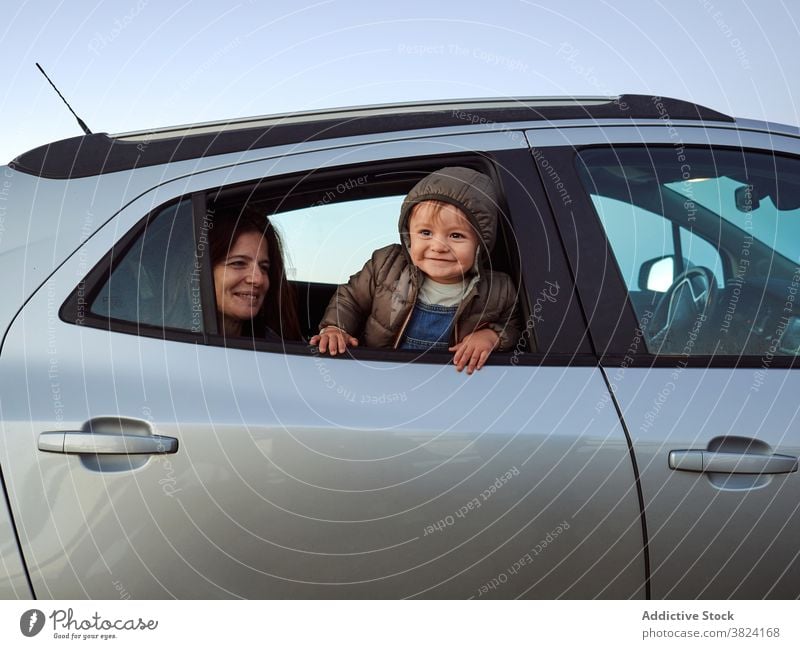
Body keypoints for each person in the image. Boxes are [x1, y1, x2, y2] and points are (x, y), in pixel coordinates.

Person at [310, 166, 521, 374]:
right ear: (409, 236)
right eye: (426, 232)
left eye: (456, 235)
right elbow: (350, 298)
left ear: (481, 243)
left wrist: (492, 336)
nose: (438, 247)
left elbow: (517, 327)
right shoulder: (387, 265)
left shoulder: (499, 289)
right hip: (379, 373)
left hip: (450, 382)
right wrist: (336, 328)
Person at [210, 206, 302, 341]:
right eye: (238, 263)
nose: (258, 279)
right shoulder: (172, 346)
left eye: (264, 267)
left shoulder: (275, 347)